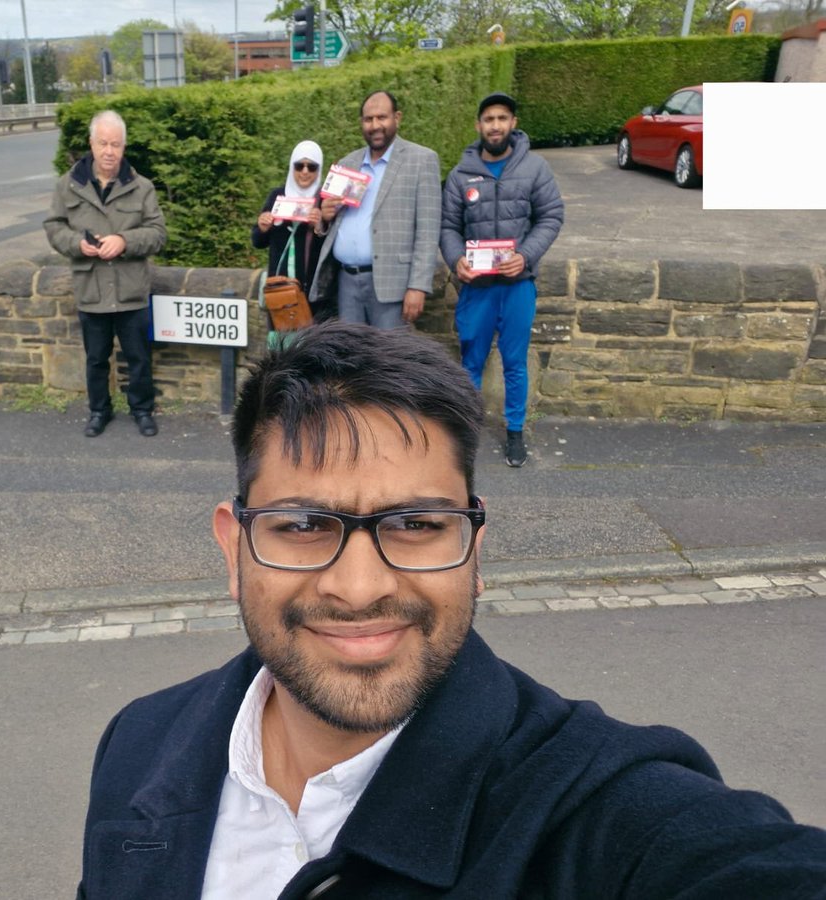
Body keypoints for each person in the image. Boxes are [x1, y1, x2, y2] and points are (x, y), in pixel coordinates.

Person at [76, 322, 826, 899]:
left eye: (416, 524)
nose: (360, 587)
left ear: (474, 542)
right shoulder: (139, 741)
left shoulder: (600, 808)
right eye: (303, 526)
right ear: (232, 547)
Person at [440, 92, 564, 467]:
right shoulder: (461, 174)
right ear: (479, 126)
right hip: (476, 288)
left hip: (516, 286)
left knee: (514, 362)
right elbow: (448, 226)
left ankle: (514, 432)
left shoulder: (535, 168)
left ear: (513, 123)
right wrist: (455, 259)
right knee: (470, 362)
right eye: (489, 119)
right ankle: (467, 432)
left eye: (502, 118)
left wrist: (525, 256)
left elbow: (551, 216)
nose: (495, 125)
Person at [43, 109, 167, 438]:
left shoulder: (142, 188)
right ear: (91, 144)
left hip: (130, 291)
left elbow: (157, 233)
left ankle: (142, 409)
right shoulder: (68, 186)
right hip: (91, 290)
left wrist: (124, 240)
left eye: (116, 144)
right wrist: (75, 244)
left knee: (139, 358)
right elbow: (54, 227)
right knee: (96, 359)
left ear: (124, 147)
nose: (109, 151)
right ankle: (99, 411)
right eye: (103, 143)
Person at [309, 90, 441, 330]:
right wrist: (325, 218)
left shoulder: (422, 160)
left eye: (382, 117)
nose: (375, 125)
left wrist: (418, 286)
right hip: (346, 281)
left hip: (393, 284)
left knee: (391, 362)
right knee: (352, 360)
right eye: (369, 119)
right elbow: (329, 223)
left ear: (397, 118)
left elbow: (428, 230)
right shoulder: (347, 163)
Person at [252, 141, 329, 338]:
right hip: (280, 290)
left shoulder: (324, 200)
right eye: (299, 166)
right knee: (281, 352)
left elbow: (332, 249)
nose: (304, 172)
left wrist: (319, 227)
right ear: (291, 167)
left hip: (313, 294)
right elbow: (258, 242)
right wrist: (262, 228)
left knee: (313, 350)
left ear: (319, 169)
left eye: (311, 167)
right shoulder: (277, 196)